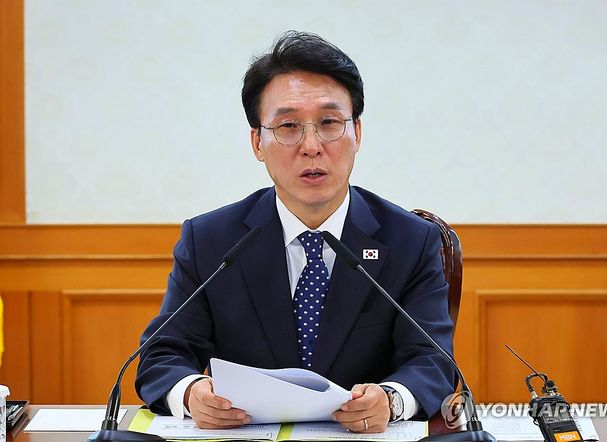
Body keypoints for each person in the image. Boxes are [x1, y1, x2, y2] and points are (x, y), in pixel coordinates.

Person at [135, 30, 455, 433]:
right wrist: (191, 393)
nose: (311, 146)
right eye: (288, 126)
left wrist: (391, 400)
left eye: (329, 122)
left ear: (357, 132)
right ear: (257, 142)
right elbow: (162, 355)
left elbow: (432, 360)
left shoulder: (409, 240)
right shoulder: (211, 240)